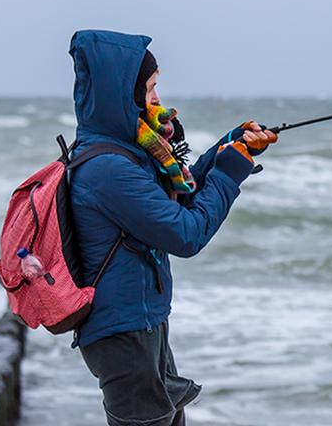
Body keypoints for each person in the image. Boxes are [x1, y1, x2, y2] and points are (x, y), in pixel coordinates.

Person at [67, 29, 277, 426]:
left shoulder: (127, 152)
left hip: (143, 323)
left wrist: (228, 148)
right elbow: (185, 234)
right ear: (121, 95)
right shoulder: (108, 168)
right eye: (149, 88)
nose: (157, 99)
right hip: (125, 334)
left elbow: (179, 195)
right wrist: (230, 174)